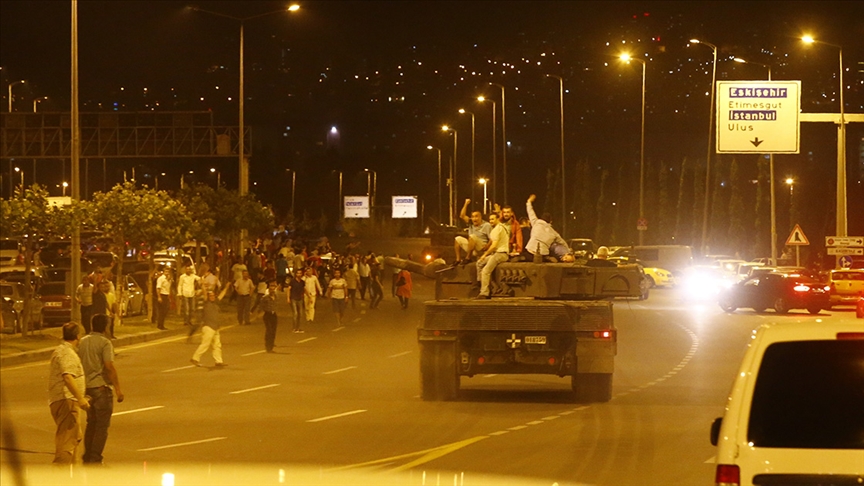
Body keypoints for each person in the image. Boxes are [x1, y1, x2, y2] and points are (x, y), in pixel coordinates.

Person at [78, 314, 124, 465]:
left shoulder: (82, 342)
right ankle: (95, 458)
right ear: (105, 326)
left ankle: (87, 455)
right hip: (101, 388)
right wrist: (118, 389)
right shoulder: (105, 343)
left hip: (87, 388)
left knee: (91, 423)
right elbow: (109, 367)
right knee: (101, 426)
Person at [48, 322, 90, 464]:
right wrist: (80, 398)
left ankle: (72, 476)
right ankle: (60, 477)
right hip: (67, 401)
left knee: (74, 438)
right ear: (78, 336)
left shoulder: (60, 350)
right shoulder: (68, 353)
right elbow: (67, 376)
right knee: (66, 443)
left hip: (62, 400)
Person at [475, 212, 511, 299]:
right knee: (479, 263)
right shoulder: (503, 227)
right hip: (499, 253)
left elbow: (494, 246)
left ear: (498, 219)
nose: (491, 221)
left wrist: (485, 254)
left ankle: (484, 293)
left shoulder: (497, 229)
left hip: (500, 254)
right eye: (490, 219)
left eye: (493, 219)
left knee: (485, 271)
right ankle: (482, 283)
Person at [524, 194, 568, 261]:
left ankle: (523, 257)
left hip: (530, 251)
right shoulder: (554, 233)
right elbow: (562, 242)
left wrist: (529, 201)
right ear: (550, 222)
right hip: (542, 254)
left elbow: (530, 212)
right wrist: (568, 251)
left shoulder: (536, 223)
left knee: (525, 255)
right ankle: (547, 258)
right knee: (550, 250)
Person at [190, 291, 226, 367]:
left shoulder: (216, 303)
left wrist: (227, 286)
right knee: (205, 344)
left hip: (216, 327)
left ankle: (218, 361)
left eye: (213, 295)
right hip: (208, 327)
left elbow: (221, 294)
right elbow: (205, 293)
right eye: (210, 296)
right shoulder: (206, 303)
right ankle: (195, 358)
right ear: (208, 297)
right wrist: (203, 284)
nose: (212, 297)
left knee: (217, 345)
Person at [454, 198, 492, 263]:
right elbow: (462, 216)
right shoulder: (471, 223)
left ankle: (468, 258)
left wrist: (488, 246)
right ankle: (458, 260)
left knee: (472, 236)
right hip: (472, 248)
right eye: (473, 216)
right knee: (457, 238)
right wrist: (466, 204)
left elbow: (492, 238)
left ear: (480, 217)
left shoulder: (486, 225)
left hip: (481, 248)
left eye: (476, 216)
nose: (474, 219)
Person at [258, 280, 279, 352]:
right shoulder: (265, 297)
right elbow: (261, 306)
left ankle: (271, 346)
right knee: (269, 330)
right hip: (267, 315)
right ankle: (267, 346)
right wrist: (261, 313)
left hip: (274, 315)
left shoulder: (276, 296)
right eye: (271, 287)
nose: (272, 289)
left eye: (274, 287)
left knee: (273, 331)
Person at [287, 269, 306, 333]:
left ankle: (299, 327)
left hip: (300, 299)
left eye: (300, 273)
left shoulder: (302, 282)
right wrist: (288, 298)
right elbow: (289, 289)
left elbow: (304, 289)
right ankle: (294, 328)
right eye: (298, 273)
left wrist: (308, 295)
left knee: (300, 314)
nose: (299, 274)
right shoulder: (292, 281)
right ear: (296, 274)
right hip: (293, 299)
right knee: (295, 313)